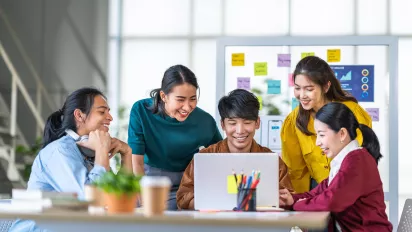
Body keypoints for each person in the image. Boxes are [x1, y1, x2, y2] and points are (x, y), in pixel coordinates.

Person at [279, 102, 392, 232]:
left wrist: (296, 204)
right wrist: (291, 199)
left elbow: (331, 201)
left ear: (342, 134)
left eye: (321, 135)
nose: (317, 142)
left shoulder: (357, 160)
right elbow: (317, 193)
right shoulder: (343, 161)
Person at [176, 89, 294, 210]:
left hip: (258, 225)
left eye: (247, 122)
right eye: (232, 123)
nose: (240, 130)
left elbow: (289, 198)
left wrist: (282, 201)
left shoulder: (272, 161)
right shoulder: (205, 157)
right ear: (222, 125)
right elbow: (183, 197)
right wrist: (208, 202)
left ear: (257, 123)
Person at [128, 65, 222, 210]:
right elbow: (137, 164)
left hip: (186, 185)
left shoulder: (204, 121)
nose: (187, 107)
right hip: (148, 180)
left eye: (192, 99)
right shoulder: (141, 110)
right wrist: (146, 200)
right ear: (163, 96)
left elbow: (222, 155)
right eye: (180, 100)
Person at [281, 56, 372, 193]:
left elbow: (363, 160)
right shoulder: (293, 121)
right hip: (317, 192)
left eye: (309, 89)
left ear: (326, 86)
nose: (302, 95)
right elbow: (296, 172)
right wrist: (299, 204)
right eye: (298, 88)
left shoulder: (351, 112)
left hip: (351, 190)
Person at [28, 87, 132, 198]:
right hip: (51, 215)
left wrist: (126, 154)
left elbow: (122, 200)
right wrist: (102, 149)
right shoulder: (60, 150)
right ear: (79, 115)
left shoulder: (91, 151)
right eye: (102, 112)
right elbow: (90, 198)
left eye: (108, 112)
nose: (110, 118)